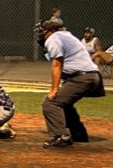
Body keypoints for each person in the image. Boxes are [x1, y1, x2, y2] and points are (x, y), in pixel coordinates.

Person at [37, 20, 105, 149]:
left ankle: (61, 136)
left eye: (42, 31)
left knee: (51, 103)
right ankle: (79, 134)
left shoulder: (54, 38)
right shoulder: (66, 36)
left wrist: (54, 89)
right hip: (92, 76)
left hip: (82, 77)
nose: (40, 34)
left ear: (50, 31)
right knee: (65, 104)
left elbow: (57, 65)